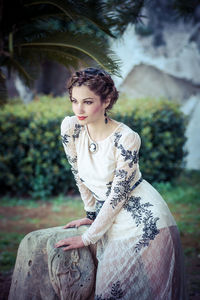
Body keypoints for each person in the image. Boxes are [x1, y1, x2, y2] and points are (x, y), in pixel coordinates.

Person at [55, 67, 186, 299]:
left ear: (106, 100)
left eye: (87, 101)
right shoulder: (71, 128)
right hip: (111, 219)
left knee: (158, 295)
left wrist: (87, 238)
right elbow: (78, 173)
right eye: (74, 101)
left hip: (147, 223)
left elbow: (118, 195)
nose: (79, 109)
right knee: (108, 294)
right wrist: (91, 212)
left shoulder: (126, 138)